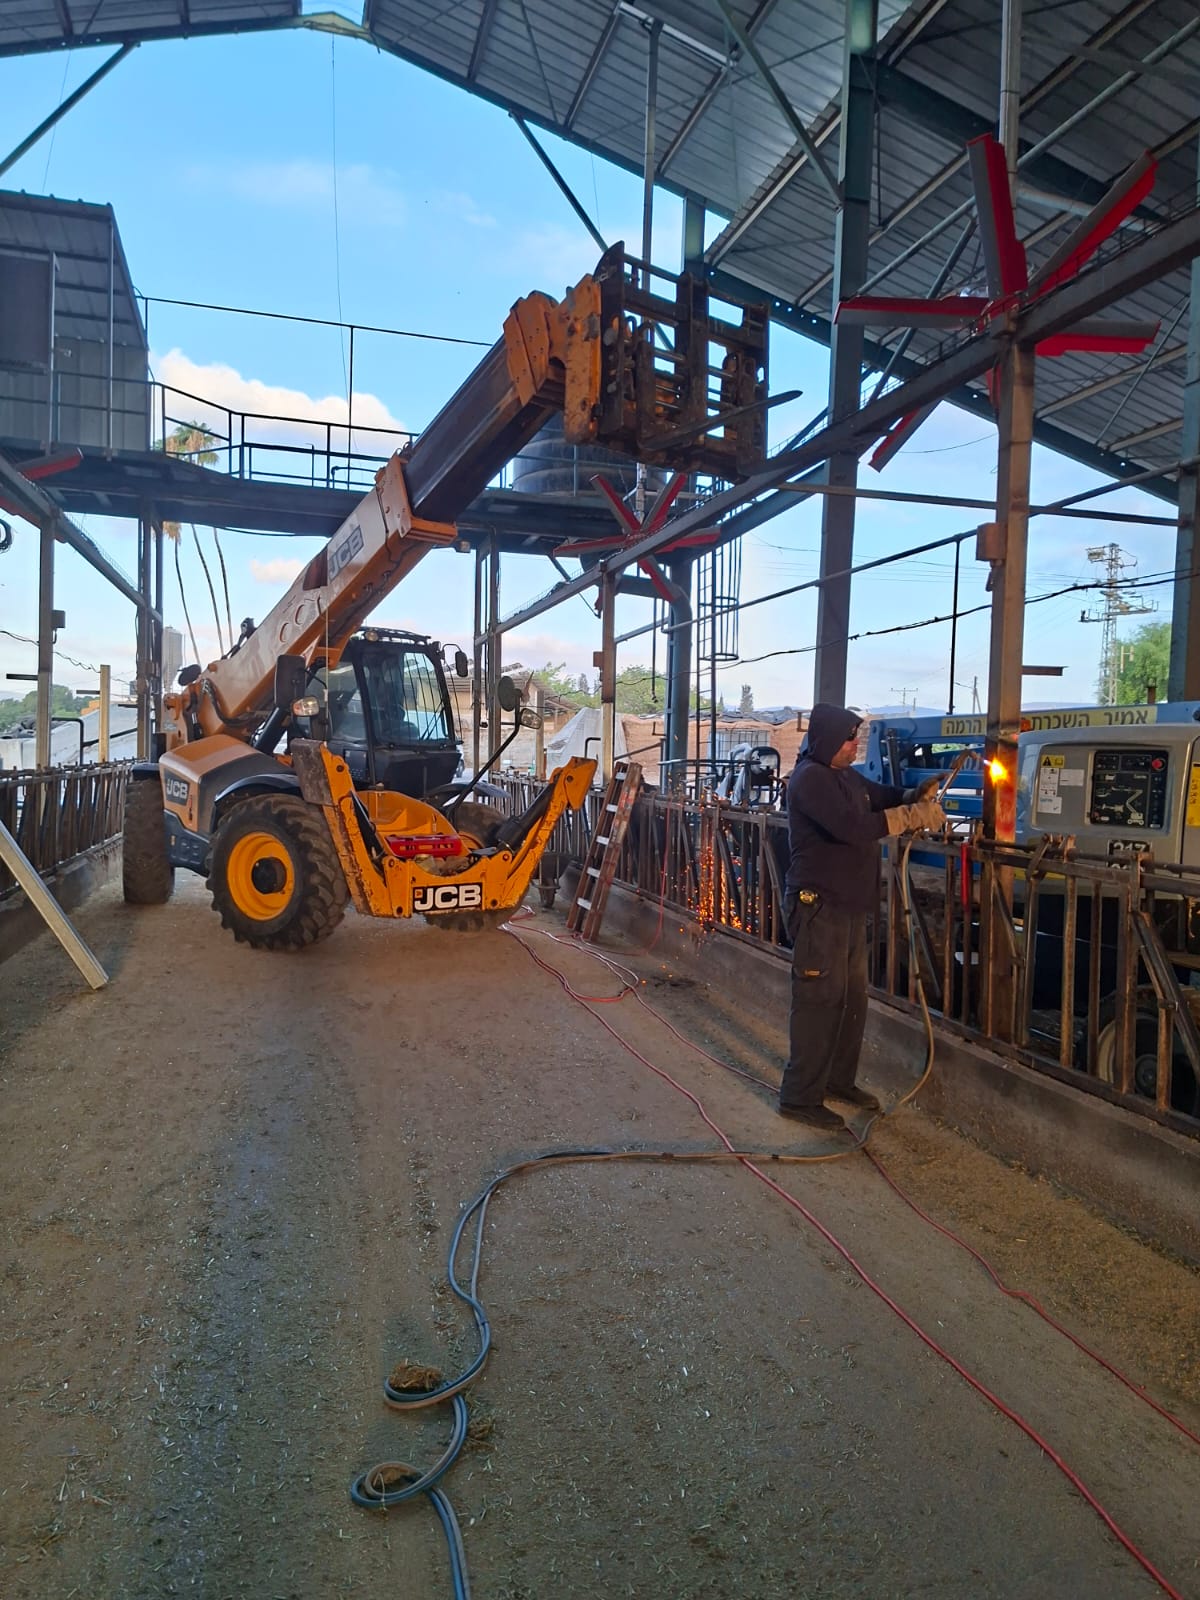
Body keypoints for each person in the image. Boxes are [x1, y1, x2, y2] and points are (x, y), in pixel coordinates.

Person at [779, 704, 945, 1130]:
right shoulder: (810, 780)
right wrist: (910, 817)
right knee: (819, 1000)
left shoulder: (844, 776)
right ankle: (800, 1096)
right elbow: (852, 826)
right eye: (850, 739)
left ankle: (838, 1081)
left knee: (852, 999)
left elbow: (877, 795)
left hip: (849, 906)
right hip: (818, 907)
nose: (856, 745)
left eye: (857, 737)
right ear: (828, 741)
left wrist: (912, 795)